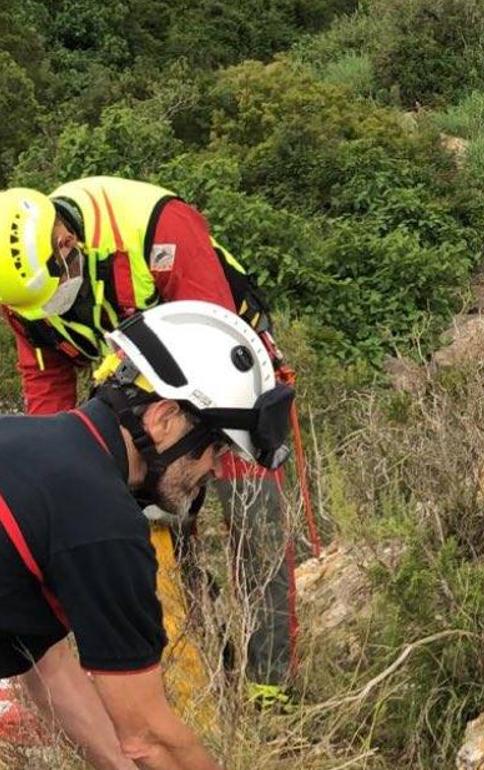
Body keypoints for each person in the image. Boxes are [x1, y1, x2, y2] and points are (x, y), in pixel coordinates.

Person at [0, 179, 298, 698]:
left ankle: (271, 684)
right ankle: (193, 678)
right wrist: (66, 474)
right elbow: (46, 381)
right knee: (152, 536)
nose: (49, 308)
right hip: (143, 405)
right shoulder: (19, 292)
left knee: (255, 519)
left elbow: (210, 329)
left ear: (65, 241)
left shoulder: (155, 226)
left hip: (229, 379)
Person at [0, 300, 295, 770]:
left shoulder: (34, 453)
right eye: (215, 445)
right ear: (163, 419)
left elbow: (47, 666)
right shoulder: (102, 524)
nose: (216, 467)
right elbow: (149, 737)